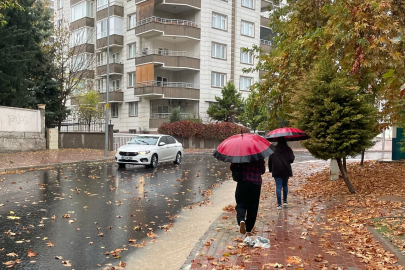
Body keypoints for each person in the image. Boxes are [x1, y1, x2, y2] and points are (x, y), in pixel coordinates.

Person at [230, 158, 265, 235]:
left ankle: (241, 220)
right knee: (253, 206)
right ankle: (249, 228)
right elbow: (262, 171)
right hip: (256, 184)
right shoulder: (259, 157)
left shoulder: (241, 155)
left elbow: (233, 167)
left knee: (241, 203)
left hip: (243, 182)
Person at [268, 137, 295, 210]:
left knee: (278, 186)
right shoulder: (288, 149)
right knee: (285, 185)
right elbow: (291, 159)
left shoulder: (273, 149)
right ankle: (285, 201)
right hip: (286, 169)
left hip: (276, 169)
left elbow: (270, 160)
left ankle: (279, 204)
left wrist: (271, 169)